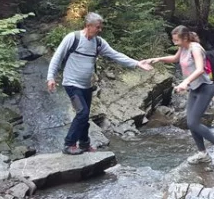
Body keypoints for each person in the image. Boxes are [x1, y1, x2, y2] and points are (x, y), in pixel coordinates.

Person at [46, 13, 153, 155]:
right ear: (88, 26)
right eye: (97, 27)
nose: (100, 30)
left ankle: (84, 144)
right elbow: (57, 57)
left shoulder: (98, 43)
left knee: (84, 115)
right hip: (71, 84)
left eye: (100, 27)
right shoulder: (73, 38)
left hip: (86, 85)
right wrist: (50, 77)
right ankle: (69, 144)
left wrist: (137, 63)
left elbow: (116, 55)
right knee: (82, 113)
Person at [144, 26, 214, 165]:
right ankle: (203, 153)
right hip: (194, 89)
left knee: (193, 122)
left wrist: (185, 82)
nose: (174, 43)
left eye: (176, 40)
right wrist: (157, 59)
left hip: (204, 88)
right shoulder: (183, 47)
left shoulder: (195, 48)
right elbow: (174, 59)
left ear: (185, 38)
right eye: (173, 40)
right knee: (191, 123)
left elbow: (200, 69)